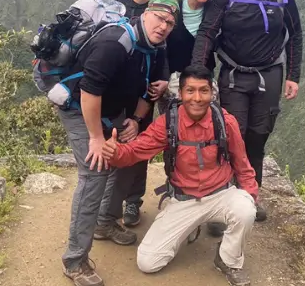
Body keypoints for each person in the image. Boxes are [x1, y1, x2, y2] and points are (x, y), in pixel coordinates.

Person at [59, 0, 180, 286]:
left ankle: (104, 222)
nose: (163, 26)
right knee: (95, 170)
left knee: (128, 158)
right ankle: (74, 261)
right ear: (145, 14)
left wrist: (136, 122)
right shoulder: (115, 43)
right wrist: (96, 138)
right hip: (80, 109)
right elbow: (89, 92)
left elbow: (149, 91)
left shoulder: (156, 47)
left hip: (114, 110)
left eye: (170, 23)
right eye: (159, 18)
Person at [101, 65, 259, 286]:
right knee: (148, 262)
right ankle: (186, 228)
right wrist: (116, 153)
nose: (197, 98)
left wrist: (250, 194)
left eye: (203, 91)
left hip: (221, 194)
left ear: (212, 93)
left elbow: (242, 163)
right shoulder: (169, 124)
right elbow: (137, 151)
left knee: (245, 211)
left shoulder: (224, 121)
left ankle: (228, 259)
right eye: (190, 91)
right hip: (184, 199)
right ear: (181, 93)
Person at [192, 0, 303, 223]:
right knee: (231, 136)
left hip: (269, 76)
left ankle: (250, 195)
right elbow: (207, 32)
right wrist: (198, 73)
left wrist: (293, 75)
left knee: (258, 137)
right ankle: (222, 203)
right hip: (233, 75)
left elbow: (295, 34)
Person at [114, 0, 168, 227]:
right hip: (117, 91)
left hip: (145, 92)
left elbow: (164, 49)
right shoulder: (118, 8)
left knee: (140, 148)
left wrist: (165, 78)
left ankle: (132, 202)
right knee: (114, 142)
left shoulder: (162, 8)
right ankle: (108, 204)